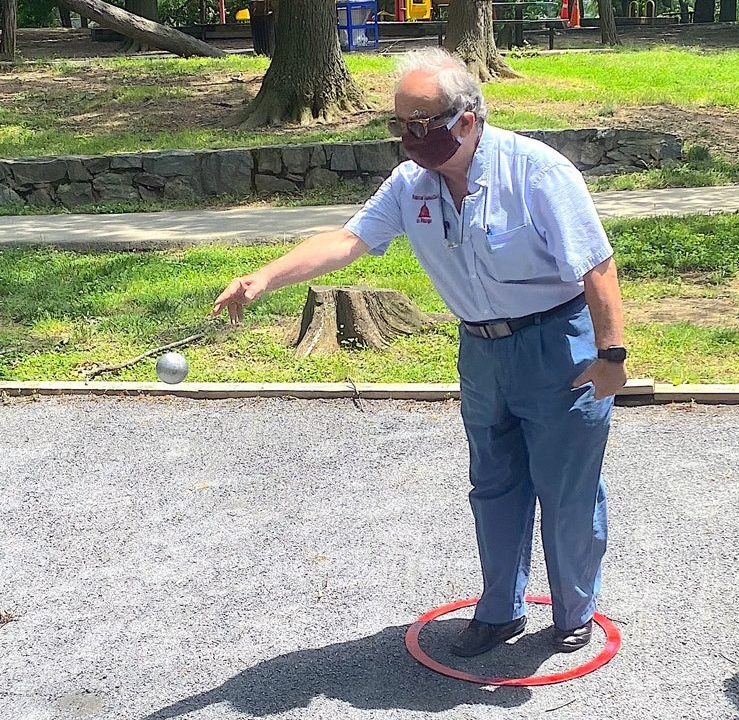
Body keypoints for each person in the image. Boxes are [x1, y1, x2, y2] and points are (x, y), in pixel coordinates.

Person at [213, 48, 627, 658]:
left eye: (422, 123)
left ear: (468, 118)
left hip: (556, 343)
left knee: (566, 488)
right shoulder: (412, 185)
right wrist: (265, 277)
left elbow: (596, 262)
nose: (410, 138)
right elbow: (348, 240)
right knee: (494, 484)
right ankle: (499, 610)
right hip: (481, 352)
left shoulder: (536, 171)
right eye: (400, 124)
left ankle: (572, 611)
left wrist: (611, 354)